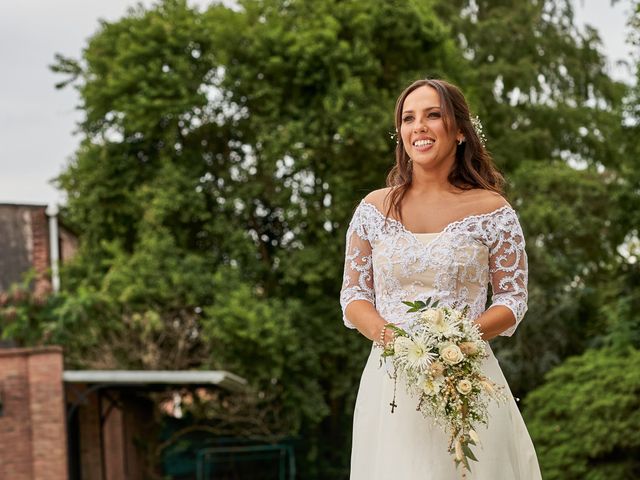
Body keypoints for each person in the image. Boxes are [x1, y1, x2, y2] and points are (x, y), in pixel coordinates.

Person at [340, 79, 543, 479]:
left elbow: (511, 299)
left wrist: (458, 337)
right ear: (399, 133)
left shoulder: (493, 210)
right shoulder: (373, 209)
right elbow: (354, 295)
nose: (420, 126)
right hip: (392, 382)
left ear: (461, 130)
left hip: (467, 373)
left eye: (434, 115)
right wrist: (393, 340)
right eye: (409, 118)